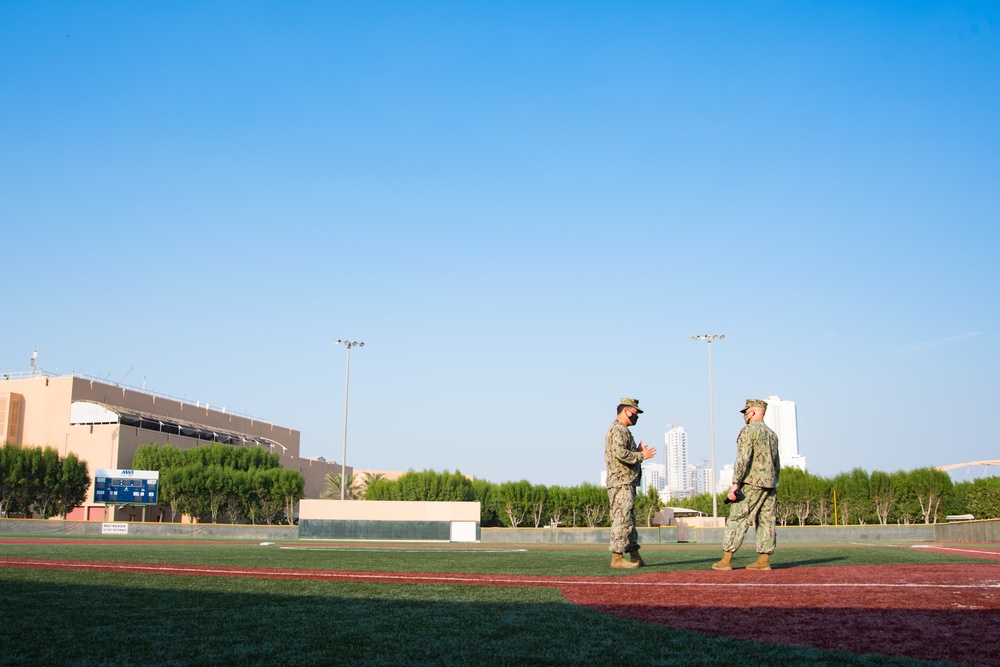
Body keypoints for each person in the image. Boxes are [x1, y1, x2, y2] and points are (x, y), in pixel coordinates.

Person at [712, 398, 781, 571]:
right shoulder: (772, 435)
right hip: (770, 483)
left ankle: (726, 560)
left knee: (737, 518)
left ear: (752, 412)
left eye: (746, 412)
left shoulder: (749, 431)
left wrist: (736, 483)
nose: (745, 416)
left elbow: (743, 458)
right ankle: (763, 561)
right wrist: (773, 480)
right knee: (766, 520)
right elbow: (776, 463)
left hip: (752, 482)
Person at [605, 397, 657, 569]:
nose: (637, 416)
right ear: (626, 411)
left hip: (627, 481)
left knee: (629, 520)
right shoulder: (618, 429)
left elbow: (624, 453)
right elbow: (619, 453)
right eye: (635, 412)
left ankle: (635, 555)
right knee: (622, 518)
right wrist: (641, 456)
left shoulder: (624, 431)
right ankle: (617, 557)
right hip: (621, 482)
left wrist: (636, 452)